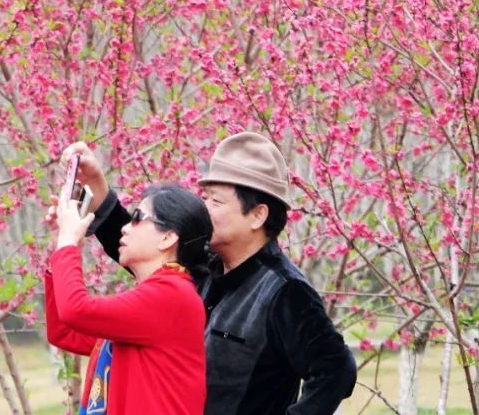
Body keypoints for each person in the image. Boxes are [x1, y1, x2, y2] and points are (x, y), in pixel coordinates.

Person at [65, 132, 357, 415]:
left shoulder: (285, 291)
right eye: (204, 197)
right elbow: (144, 247)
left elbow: (336, 370)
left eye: (215, 201)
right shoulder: (203, 266)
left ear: (258, 215)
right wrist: (98, 190)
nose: (202, 209)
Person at [44, 183, 213, 414]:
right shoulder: (155, 297)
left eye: (137, 217)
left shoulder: (173, 296)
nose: (125, 228)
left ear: (168, 237)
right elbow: (65, 332)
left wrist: (68, 244)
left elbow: (75, 310)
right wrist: (60, 246)